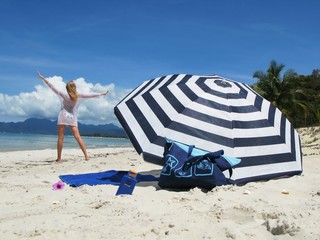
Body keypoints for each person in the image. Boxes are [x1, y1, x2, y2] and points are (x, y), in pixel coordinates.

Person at [37, 71, 108, 163]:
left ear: (67, 88)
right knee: (78, 137)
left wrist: (43, 78)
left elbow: (52, 87)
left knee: (61, 138)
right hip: (72, 117)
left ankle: (59, 159)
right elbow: (91, 95)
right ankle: (86, 156)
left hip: (63, 116)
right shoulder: (78, 96)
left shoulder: (63, 94)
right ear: (74, 87)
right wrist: (102, 93)